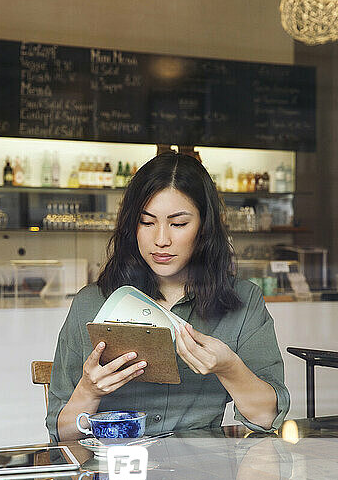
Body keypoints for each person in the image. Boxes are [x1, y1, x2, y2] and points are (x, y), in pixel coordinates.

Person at [46, 152, 290, 442]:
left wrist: (229, 367)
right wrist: (89, 390)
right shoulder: (91, 303)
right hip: (117, 476)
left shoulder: (243, 301)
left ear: (205, 227)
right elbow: (61, 433)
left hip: (204, 476)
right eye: (147, 223)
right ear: (130, 226)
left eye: (178, 224)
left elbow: (265, 419)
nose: (161, 239)